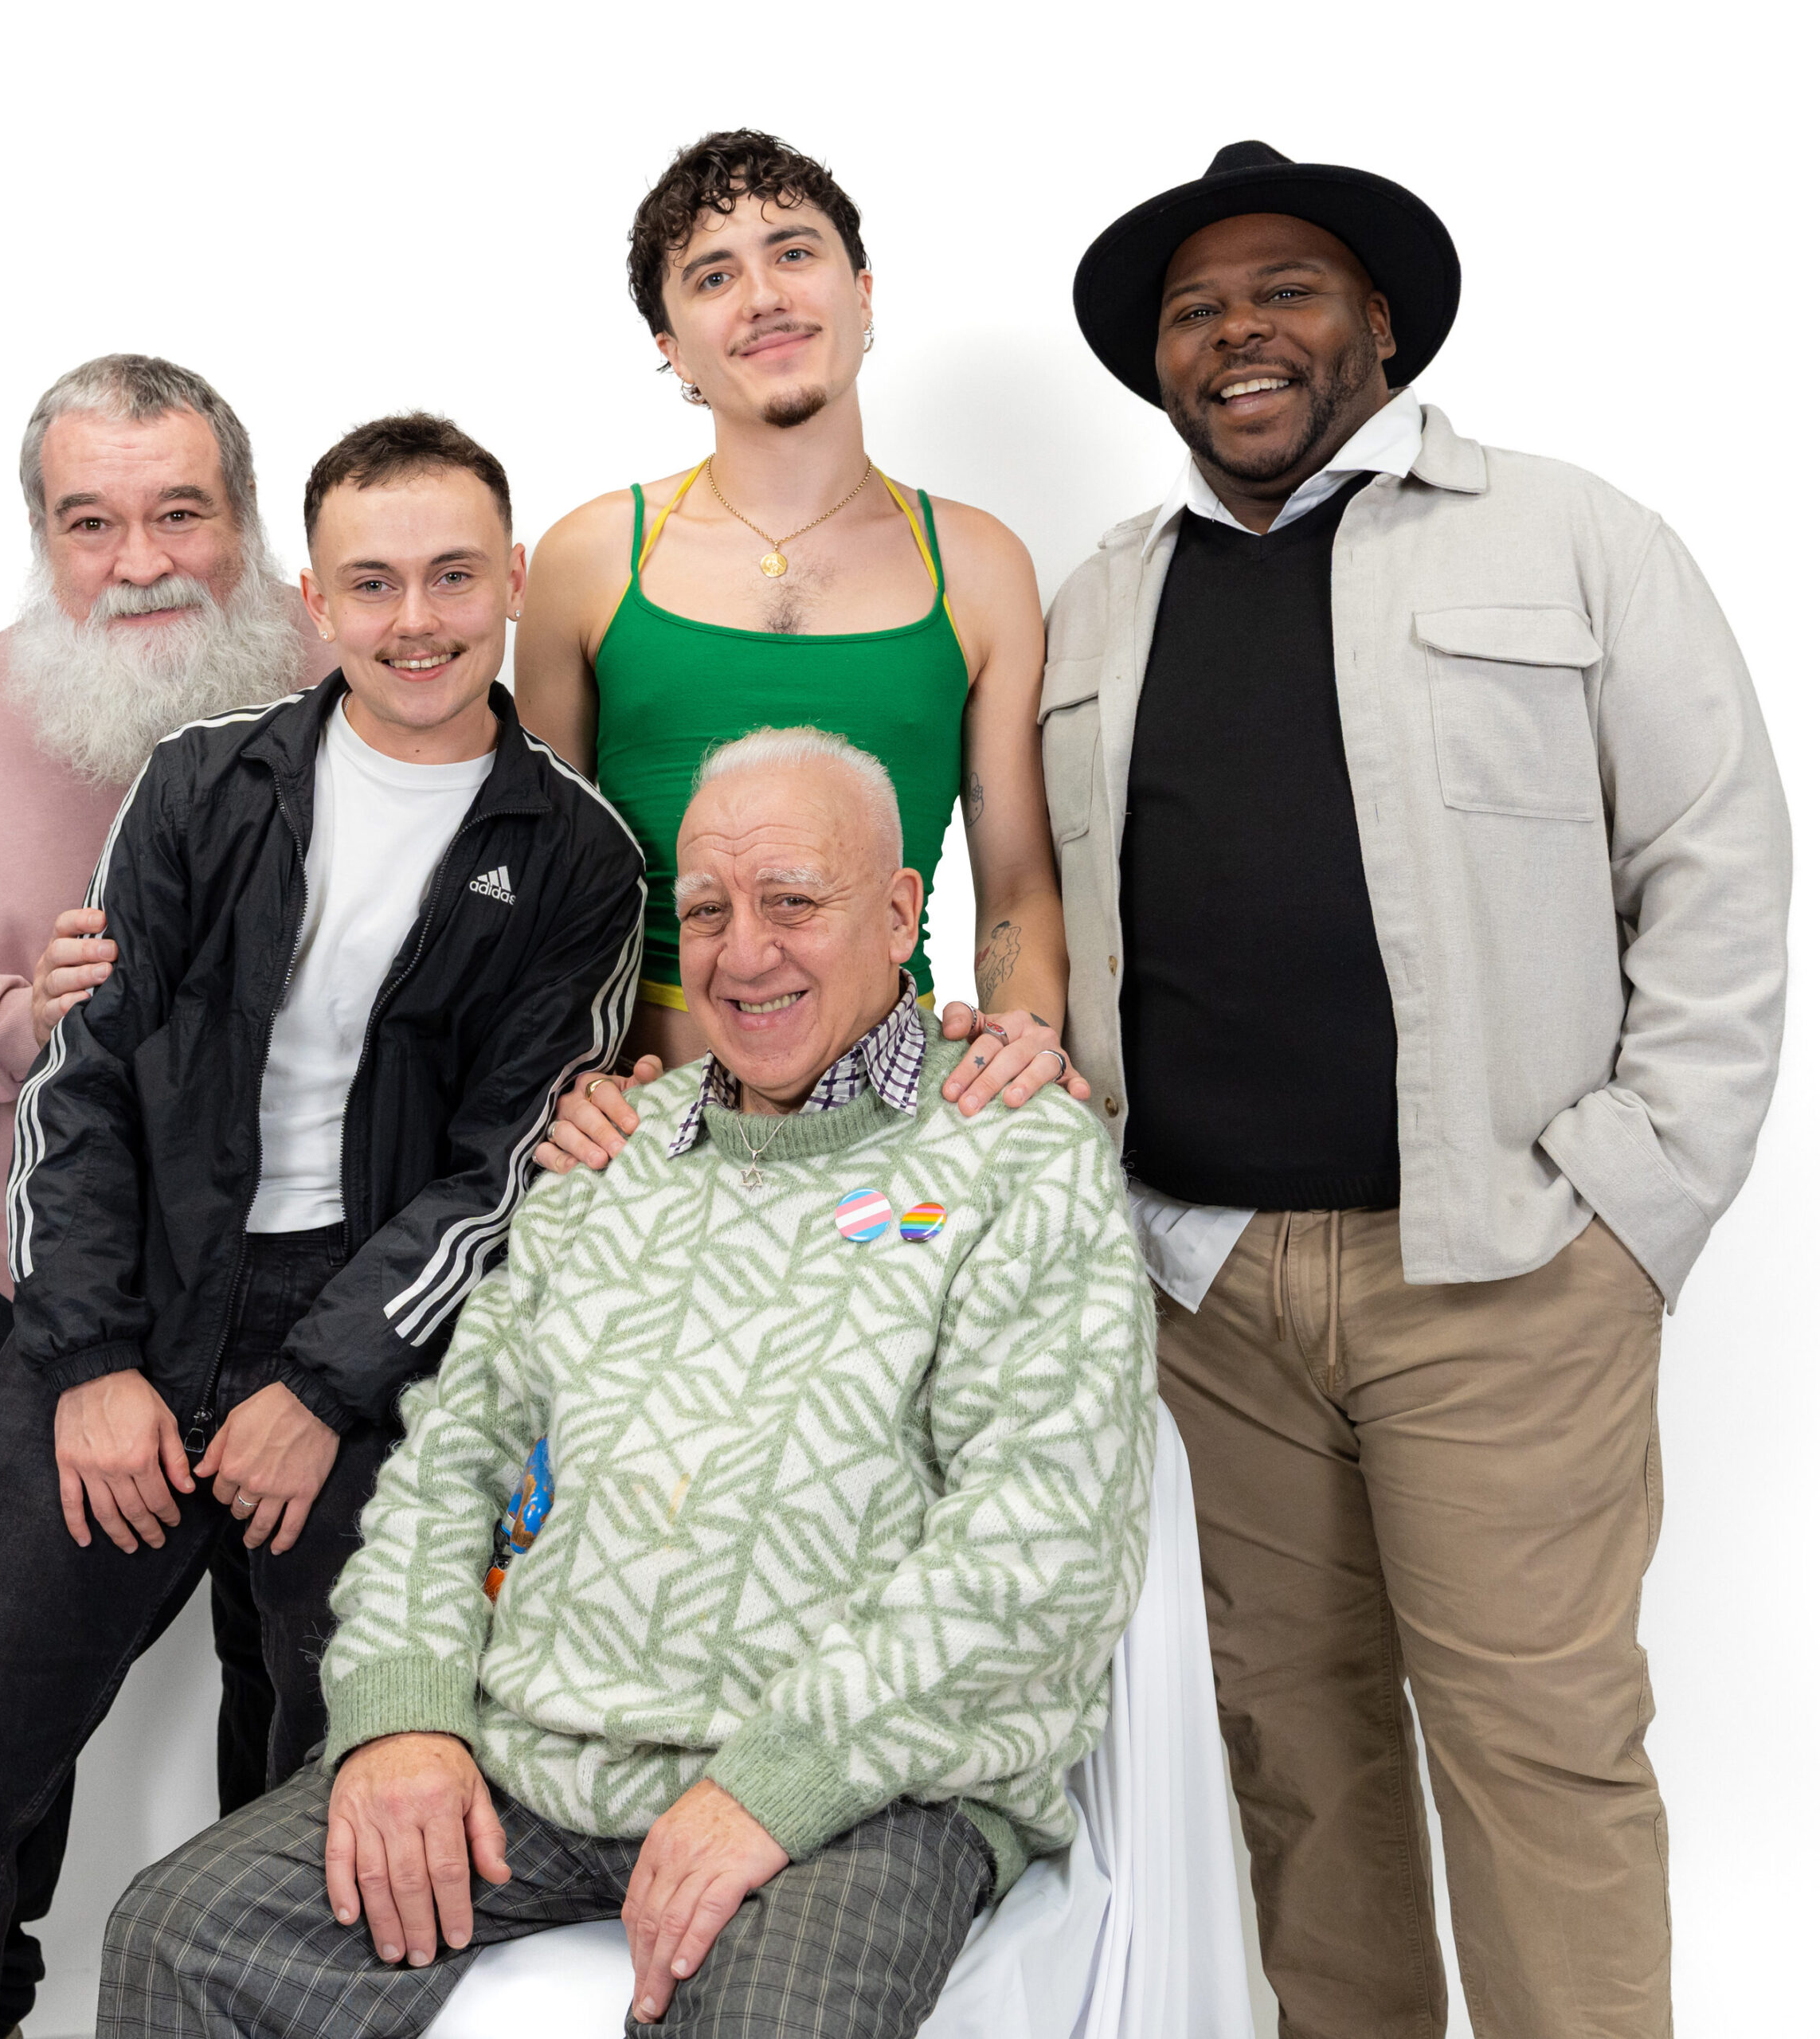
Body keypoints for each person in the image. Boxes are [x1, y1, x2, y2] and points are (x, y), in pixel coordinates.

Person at [1047, 140, 1791, 2038]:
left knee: (1536, 1758)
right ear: (1158, 369)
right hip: (1201, 1291)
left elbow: (1713, 861)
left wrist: (1632, 1203)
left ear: (1374, 321)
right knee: (1294, 1766)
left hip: (1501, 1277)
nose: (1238, 332)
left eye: (1283, 289)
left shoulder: (1565, 535)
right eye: (1194, 310)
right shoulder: (1104, 599)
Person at [99, 727, 1155, 2039]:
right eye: (707, 911)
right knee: (178, 1939)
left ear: (899, 914)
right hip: (533, 1756)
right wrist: (405, 1717)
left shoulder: (1013, 1150)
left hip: (868, 1787)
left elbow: (1037, 1535)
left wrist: (775, 1784)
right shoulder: (616, 1143)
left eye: (792, 903)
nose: (744, 952)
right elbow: (453, 1457)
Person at [0, 413, 646, 2039]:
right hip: (125, 1312)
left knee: (329, 1814)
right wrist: (91, 1358)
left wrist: (324, 1385)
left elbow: (496, 1171)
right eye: (373, 581)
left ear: (511, 581)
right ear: (314, 597)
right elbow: (86, 1082)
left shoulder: (577, 857)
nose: (414, 616)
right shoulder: (205, 785)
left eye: (451, 575)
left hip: (371, 1341)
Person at [0, 351, 332, 2037]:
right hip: (45, 1309)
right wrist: (14, 1017)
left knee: (310, 1729)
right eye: (90, 522)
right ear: (42, 538)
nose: (139, 558)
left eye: (180, 510)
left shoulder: (363, 673)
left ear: (243, 519)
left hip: (318, 1332)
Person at [522, 129, 1088, 1179]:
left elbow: (1015, 879)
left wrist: (1022, 1041)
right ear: (671, 344)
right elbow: (530, 876)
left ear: (862, 293)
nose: (763, 295)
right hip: (637, 1140)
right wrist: (559, 1081)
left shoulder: (978, 565)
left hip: (891, 1138)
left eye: (793, 252)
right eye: (713, 275)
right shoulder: (592, 559)